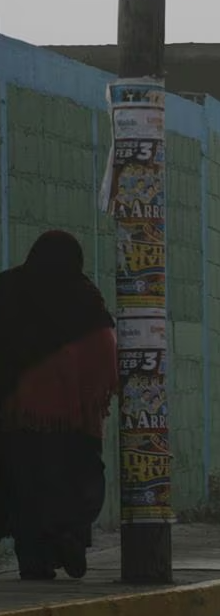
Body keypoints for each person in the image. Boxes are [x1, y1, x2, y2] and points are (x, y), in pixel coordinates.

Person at [0, 230, 118, 580]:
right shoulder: (82, 293)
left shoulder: (6, 287)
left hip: (16, 413)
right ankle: (69, 536)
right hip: (71, 417)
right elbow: (103, 346)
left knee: (24, 485)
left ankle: (33, 560)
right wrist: (93, 394)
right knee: (78, 477)